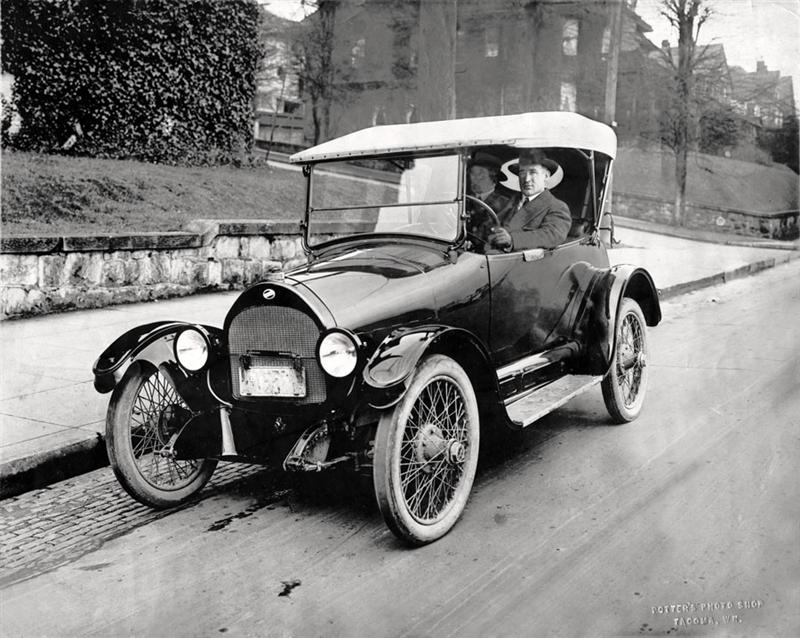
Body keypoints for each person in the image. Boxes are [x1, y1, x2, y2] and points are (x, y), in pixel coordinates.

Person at [487, 150, 571, 251]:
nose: (526, 179)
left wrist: (512, 239)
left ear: (546, 176)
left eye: (533, 172)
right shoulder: (512, 200)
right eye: (522, 172)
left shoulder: (557, 207)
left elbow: (552, 235)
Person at [466, 151, 511, 242]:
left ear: (493, 176)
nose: (475, 179)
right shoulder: (464, 201)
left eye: (480, 174)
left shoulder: (506, 204)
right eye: (472, 173)